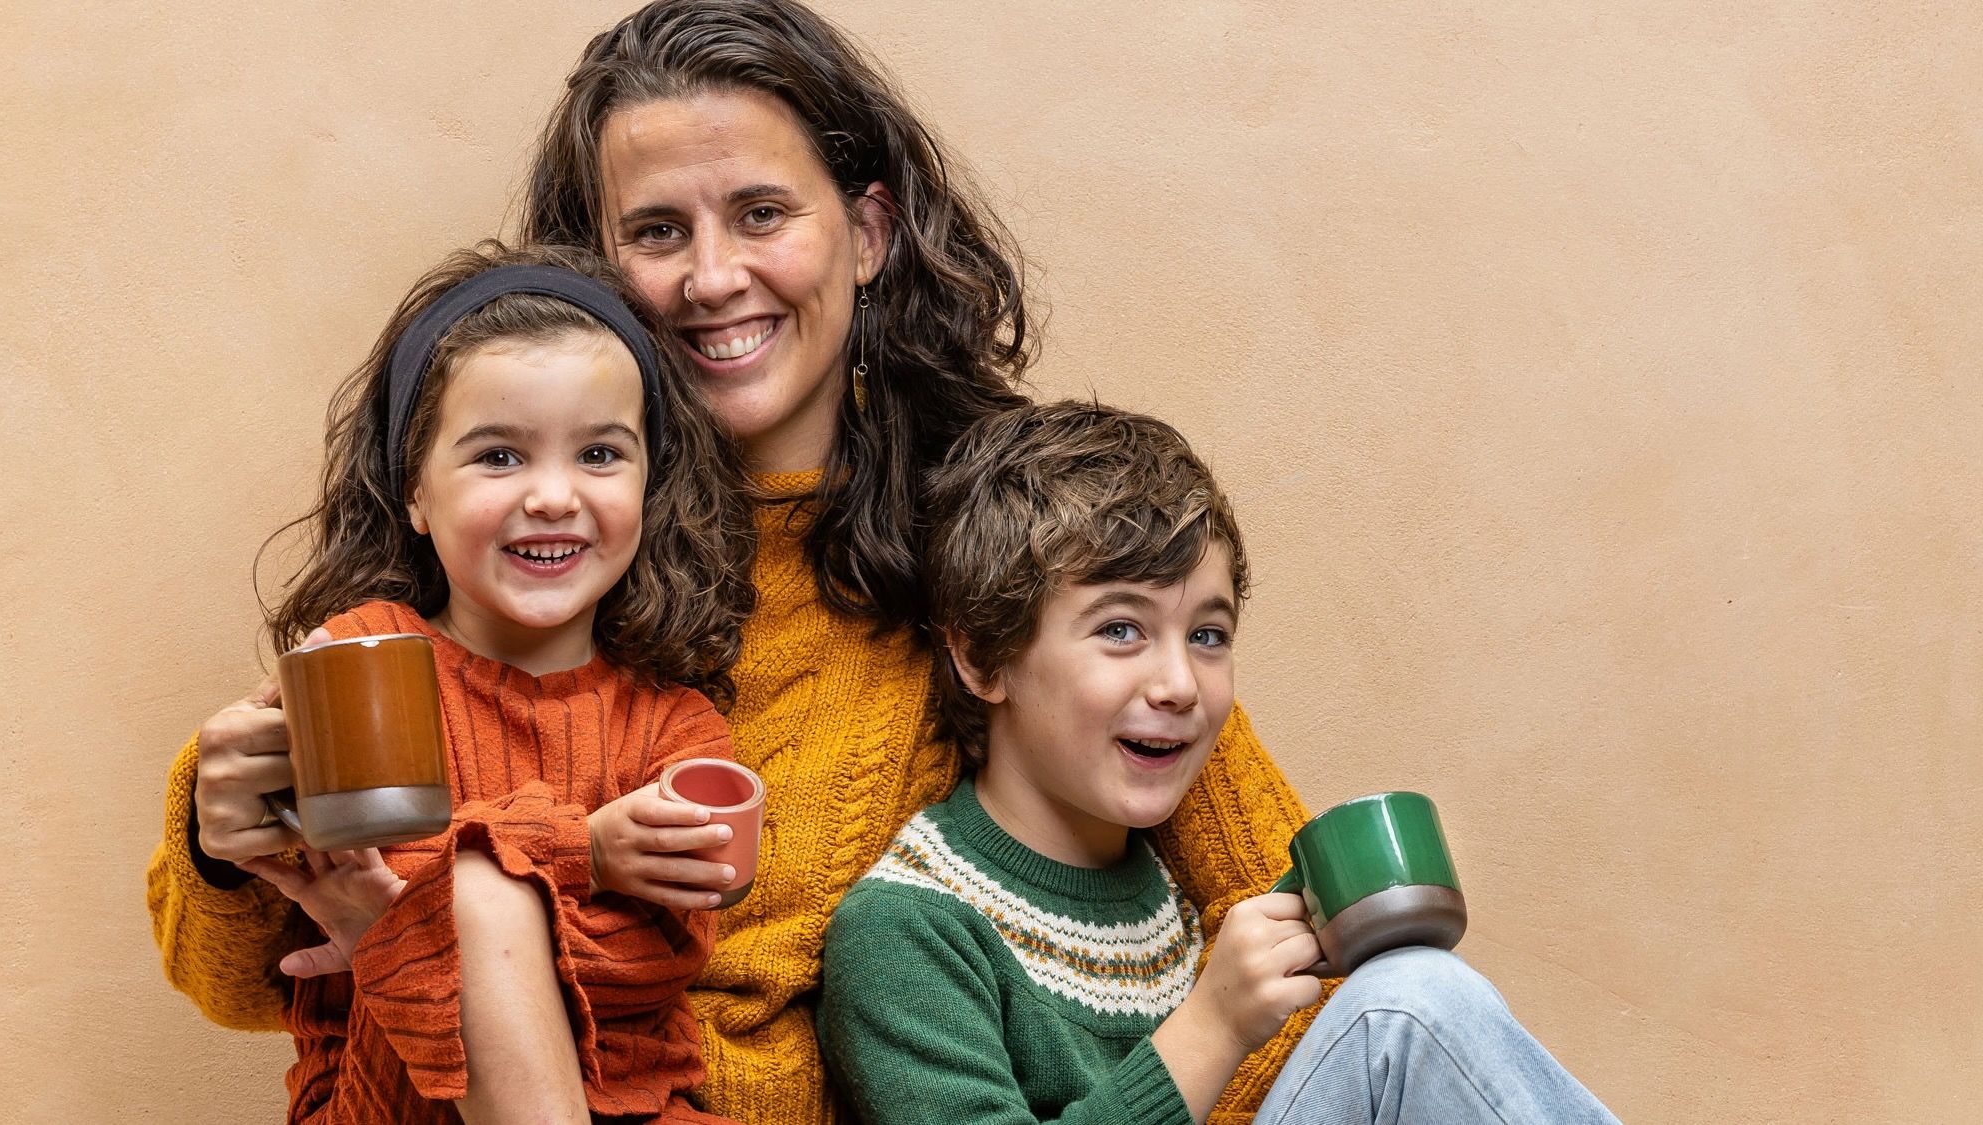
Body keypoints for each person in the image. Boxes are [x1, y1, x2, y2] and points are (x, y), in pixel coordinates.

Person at [148, 3, 1311, 1119]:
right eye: (657, 231)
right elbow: (261, 982)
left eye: (761, 213)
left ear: (865, 234)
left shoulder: (1006, 539)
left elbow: (1297, 923)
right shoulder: (516, 542)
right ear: (592, 266)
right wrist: (224, 837)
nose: (711, 279)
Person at [819, 401, 1620, 1125]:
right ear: (982, 655)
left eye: (1207, 635)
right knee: (1406, 1008)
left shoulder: (1181, 900)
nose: (1178, 686)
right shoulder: (903, 932)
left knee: (1407, 985)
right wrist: (1211, 1025)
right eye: (1121, 629)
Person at [151, 240, 761, 1123]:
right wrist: (579, 853)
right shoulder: (357, 663)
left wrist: (381, 936)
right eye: (499, 457)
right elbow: (272, 937)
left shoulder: (675, 724)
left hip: (628, 1105)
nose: (553, 495)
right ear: (414, 492)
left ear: (650, 483)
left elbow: (651, 968)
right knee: (476, 888)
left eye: (600, 454)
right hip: (387, 1095)